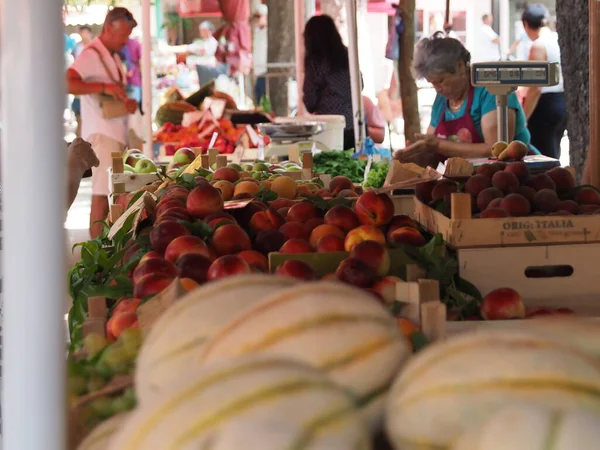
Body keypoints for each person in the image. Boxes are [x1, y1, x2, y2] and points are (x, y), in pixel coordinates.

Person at [394, 34, 532, 167]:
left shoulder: (490, 90)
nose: (438, 89)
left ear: (460, 66)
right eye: (432, 83)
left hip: (512, 174)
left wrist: (437, 145)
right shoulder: (442, 100)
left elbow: (496, 150)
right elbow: (432, 148)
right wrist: (418, 155)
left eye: (441, 80)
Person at [66, 7, 139, 239]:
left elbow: (108, 94)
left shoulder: (112, 55)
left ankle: (105, 247)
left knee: (111, 194)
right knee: (101, 195)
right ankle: (96, 253)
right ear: (109, 28)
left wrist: (124, 102)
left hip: (113, 133)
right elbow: (69, 83)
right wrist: (104, 87)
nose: (126, 41)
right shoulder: (90, 54)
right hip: (101, 135)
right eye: (124, 35)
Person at [521, 4, 567, 160]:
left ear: (526, 25)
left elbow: (535, 87)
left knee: (543, 157)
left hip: (545, 104)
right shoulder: (558, 39)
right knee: (554, 150)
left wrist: (524, 117)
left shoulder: (538, 46)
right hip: (562, 101)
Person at [303, 15, 354, 150]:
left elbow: (310, 100)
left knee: (329, 168)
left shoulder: (315, 62)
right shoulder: (347, 56)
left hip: (329, 128)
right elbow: (359, 84)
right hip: (354, 124)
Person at [251, 3, 268, 103]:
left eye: (259, 16)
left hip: (266, 70)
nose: (256, 19)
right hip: (259, 71)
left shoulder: (268, 33)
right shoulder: (257, 32)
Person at [119, 36, 142, 105]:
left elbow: (140, 61)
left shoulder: (135, 43)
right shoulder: (117, 45)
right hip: (123, 82)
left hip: (131, 80)